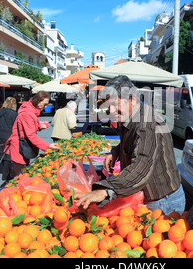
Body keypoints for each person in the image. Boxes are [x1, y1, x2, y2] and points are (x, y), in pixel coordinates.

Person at [75, 75, 185, 215]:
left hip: (162, 201)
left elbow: (141, 166)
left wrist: (106, 190)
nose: (111, 111)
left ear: (132, 99)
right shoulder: (132, 117)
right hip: (146, 196)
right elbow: (135, 141)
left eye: (116, 104)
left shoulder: (147, 122)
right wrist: (116, 151)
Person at [4, 91, 59, 179]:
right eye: (44, 104)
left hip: (22, 146)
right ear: (37, 101)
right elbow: (31, 135)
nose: (45, 107)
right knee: (19, 176)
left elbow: (28, 128)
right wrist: (48, 146)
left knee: (23, 173)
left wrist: (39, 126)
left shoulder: (31, 112)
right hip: (19, 148)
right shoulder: (27, 113)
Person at [0, 97, 18, 181]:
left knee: (1, 152)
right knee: (8, 154)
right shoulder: (14, 114)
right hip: (9, 135)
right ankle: (6, 174)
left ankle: (3, 169)